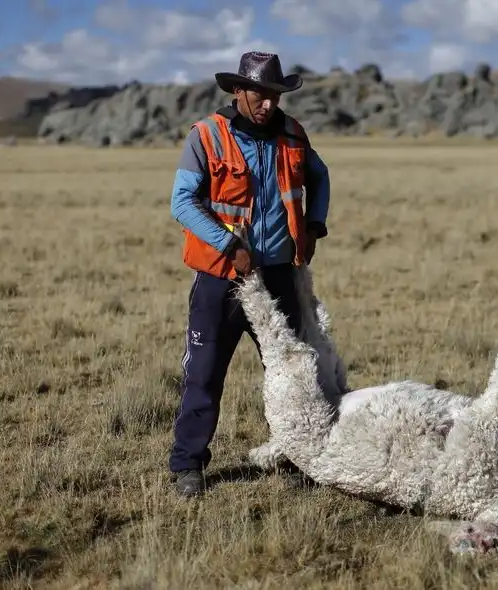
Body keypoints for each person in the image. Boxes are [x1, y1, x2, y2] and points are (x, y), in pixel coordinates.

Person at [167, 51, 331, 497]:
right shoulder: (206, 136)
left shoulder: (292, 133)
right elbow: (182, 202)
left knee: (292, 373)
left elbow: (320, 177)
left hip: (279, 278)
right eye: (260, 95)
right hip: (222, 279)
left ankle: (299, 456)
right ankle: (188, 465)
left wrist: (314, 224)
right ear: (239, 91)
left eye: (276, 95)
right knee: (204, 373)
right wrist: (230, 246)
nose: (269, 104)